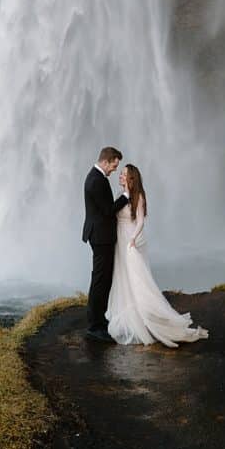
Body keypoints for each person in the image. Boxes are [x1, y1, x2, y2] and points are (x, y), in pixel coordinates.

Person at [105, 164, 209, 346]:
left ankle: (148, 314)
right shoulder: (120, 195)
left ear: (131, 178)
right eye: (120, 174)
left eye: (123, 174)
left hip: (129, 239)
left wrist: (133, 239)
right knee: (122, 276)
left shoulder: (139, 196)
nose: (120, 176)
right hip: (119, 240)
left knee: (137, 278)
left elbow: (140, 222)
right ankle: (129, 311)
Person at [82, 146, 130, 342]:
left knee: (101, 279)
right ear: (106, 161)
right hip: (101, 238)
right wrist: (126, 196)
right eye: (114, 165)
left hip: (100, 236)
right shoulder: (96, 181)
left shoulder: (97, 178)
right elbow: (108, 211)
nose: (114, 170)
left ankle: (98, 320)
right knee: (100, 280)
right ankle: (95, 326)